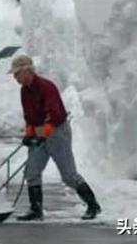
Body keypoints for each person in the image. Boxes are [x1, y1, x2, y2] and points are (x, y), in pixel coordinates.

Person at [8, 55, 101, 220]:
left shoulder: (46, 87)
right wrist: (30, 134)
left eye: (17, 74)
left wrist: (45, 133)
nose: (15, 78)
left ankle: (93, 206)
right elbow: (29, 116)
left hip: (58, 132)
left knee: (68, 175)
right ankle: (36, 210)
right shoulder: (24, 91)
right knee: (32, 172)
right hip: (40, 131)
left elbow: (55, 114)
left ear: (27, 71)